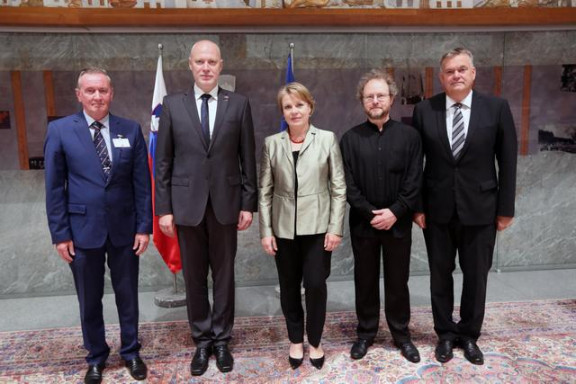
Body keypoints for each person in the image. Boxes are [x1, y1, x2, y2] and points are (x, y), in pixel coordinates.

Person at [154, 40, 257, 376]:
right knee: (195, 277)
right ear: (190, 65)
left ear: (221, 65)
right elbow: (164, 162)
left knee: (225, 276)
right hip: (186, 207)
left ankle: (223, 339)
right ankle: (202, 340)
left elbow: (247, 159)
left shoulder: (239, 104)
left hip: (226, 205)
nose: (206, 67)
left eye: (212, 61)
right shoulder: (172, 105)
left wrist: (248, 203)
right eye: (200, 61)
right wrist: (164, 208)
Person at [44, 68, 152, 384]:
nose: (97, 96)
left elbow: (141, 183)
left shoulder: (130, 130)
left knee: (127, 295)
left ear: (111, 93)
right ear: (79, 94)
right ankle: (96, 356)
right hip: (81, 232)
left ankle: (131, 352)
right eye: (90, 90)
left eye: (102, 90)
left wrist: (143, 226)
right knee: (89, 299)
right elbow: (53, 187)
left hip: (124, 229)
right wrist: (60, 233)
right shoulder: (61, 130)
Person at [412, 47, 517, 365]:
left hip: (481, 209)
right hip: (437, 209)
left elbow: (508, 159)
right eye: (449, 71)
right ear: (441, 77)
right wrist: (417, 206)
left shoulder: (496, 108)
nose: (455, 75)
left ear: (473, 73)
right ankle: (444, 334)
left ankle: (470, 335)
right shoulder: (424, 110)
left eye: (462, 69)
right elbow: (416, 163)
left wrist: (506, 208)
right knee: (439, 275)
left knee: (476, 276)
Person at [259, 82, 346, 370]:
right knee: (288, 288)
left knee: (316, 285)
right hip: (283, 231)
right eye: (288, 106)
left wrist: (335, 228)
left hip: (319, 229)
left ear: (310, 107)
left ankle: (316, 341)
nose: (294, 111)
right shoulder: (273, 143)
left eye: (299, 105)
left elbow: (338, 187)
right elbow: (265, 192)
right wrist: (266, 232)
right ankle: (295, 339)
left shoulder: (327, 139)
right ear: (282, 112)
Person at [340, 69, 423, 364]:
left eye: (380, 95)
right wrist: (370, 213)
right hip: (364, 224)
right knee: (364, 280)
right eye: (369, 96)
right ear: (362, 101)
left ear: (391, 98)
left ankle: (401, 335)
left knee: (398, 281)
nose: (375, 100)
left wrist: (395, 212)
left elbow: (414, 181)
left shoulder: (411, 137)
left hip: (398, 224)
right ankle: (365, 334)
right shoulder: (349, 139)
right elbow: (347, 185)